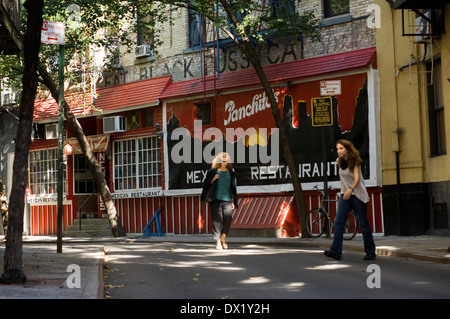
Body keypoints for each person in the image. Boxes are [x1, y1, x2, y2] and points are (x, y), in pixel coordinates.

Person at [324, 139, 376, 260]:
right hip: (345, 195)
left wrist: (350, 189)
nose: (339, 151)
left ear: (347, 149)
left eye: (341, 148)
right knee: (339, 222)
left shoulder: (354, 162)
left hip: (357, 195)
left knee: (363, 224)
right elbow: (343, 179)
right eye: (337, 149)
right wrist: (344, 191)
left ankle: (370, 252)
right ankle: (335, 251)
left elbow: (357, 179)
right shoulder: (339, 161)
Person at [201, 152, 238, 249]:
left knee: (228, 219)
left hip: (228, 200)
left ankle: (223, 238)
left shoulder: (231, 173)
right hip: (215, 200)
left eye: (226, 161)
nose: (224, 163)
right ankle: (218, 242)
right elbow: (206, 185)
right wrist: (213, 179)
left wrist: (233, 201)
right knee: (217, 221)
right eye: (222, 161)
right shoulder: (213, 172)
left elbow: (233, 188)